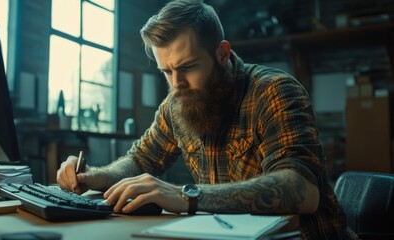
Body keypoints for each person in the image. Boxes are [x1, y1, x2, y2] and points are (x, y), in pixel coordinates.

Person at [57, 0, 358, 239]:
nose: (177, 83)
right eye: (166, 71)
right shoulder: (176, 104)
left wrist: (185, 195)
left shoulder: (274, 92)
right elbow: (139, 161)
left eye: (188, 67)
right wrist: (96, 176)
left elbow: (302, 192)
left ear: (223, 53)